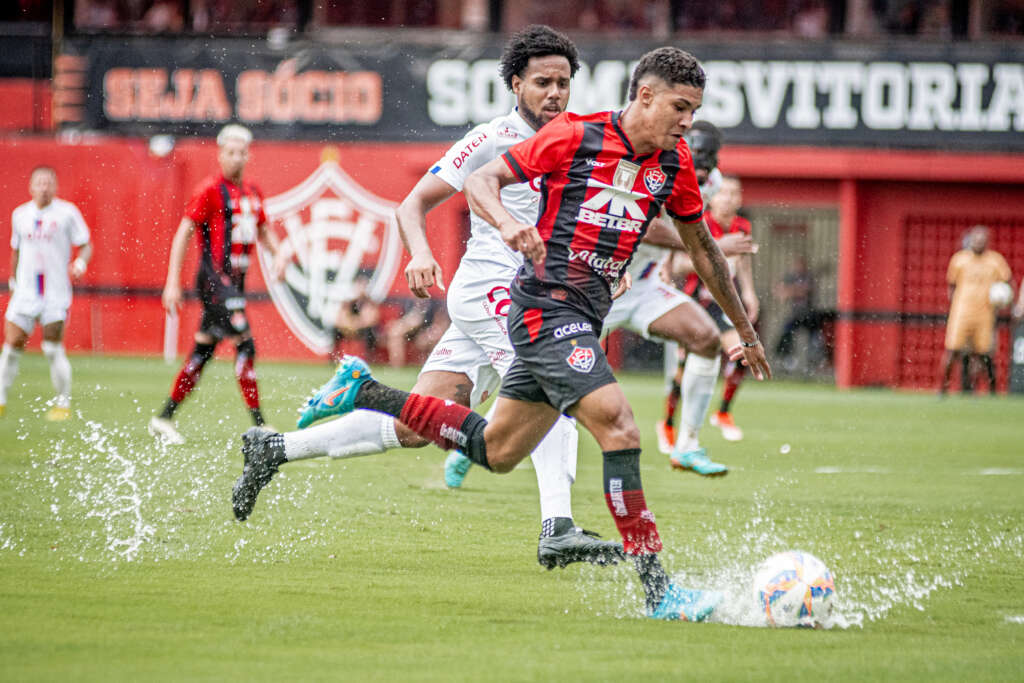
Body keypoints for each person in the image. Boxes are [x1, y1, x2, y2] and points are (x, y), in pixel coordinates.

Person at [262, 47, 770, 620]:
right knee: (618, 426)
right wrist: (507, 226)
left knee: (496, 450)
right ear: (645, 96)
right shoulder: (569, 136)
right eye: (681, 108)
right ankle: (648, 584)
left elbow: (699, 246)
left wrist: (742, 331)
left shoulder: (672, 164)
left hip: (579, 310)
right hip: (538, 307)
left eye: (695, 111)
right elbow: (480, 183)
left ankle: (364, 392)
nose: (687, 123)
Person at [231, 25, 624, 570]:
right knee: (554, 383)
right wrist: (419, 254)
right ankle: (556, 527)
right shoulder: (490, 140)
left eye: (563, 82)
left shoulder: (580, 142)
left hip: (531, 296)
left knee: (417, 426)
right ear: (516, 85)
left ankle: (273, 449)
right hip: (493, 289)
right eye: (542, 82)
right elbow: (412, 204)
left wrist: (607, 267)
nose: (554, 93)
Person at [148, 124, 282, 444]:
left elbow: (263, 229)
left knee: (204, 349)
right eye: (230, 153)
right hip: (213, 282)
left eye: (241, 152)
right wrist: (172, 283)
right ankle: (260, 424)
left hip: (234, 285)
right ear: (220, 155)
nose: (236, 158)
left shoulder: (252, 193)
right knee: (245, 344)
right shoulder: (209, 189)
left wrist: (279, 255)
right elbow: (184, 232)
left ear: (248, 155)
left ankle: (164, 417)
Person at [654, 121, 758, 456]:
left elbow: (740, 263)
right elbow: (686, 258)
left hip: (717, 301)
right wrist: (716, 249)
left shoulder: (738, 221)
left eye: (734, 194)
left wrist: (749, 294)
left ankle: (720, 414)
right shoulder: (697, 216)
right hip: (687, 295)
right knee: (686, 365)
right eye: (725, 193)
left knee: (737, 352)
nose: (728, 198)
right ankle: (668, 423)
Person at [0, 166, 92, 421]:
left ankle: (62, 403)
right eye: (39, 183)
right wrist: (12, 279)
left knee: (52, 348)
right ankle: (1, 399)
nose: (44, 187)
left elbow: (85, 245)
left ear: (55, 186)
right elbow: (15, 250)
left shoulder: (67, 213)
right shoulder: (20, 215)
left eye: (48, 182)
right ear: (31, 187)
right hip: (25, 292)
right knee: (10, 347)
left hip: (55, 292)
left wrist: (80, 263)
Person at [938, 225, 1012, 396]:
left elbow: (1006, 283)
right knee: (953, 350)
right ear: (970, 240)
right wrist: (955, 304)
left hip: (985, 314)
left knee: (982, 354)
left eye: (982, 240)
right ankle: (943, 389)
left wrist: (1004, 300)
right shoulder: (959, 259)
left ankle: (976, 390)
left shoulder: (995, 260)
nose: (978, 242)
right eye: (976, 239)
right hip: (961, 313)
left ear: (987, 242)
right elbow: (952, 285)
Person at [773, 254, 825, 373]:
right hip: (795, 314)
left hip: (808, 314)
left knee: (815, 337)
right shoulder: (791, 277)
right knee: (786, 333)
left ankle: (814, 362)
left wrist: (790, 290)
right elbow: (779, 292)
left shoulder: (808, 277)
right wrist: (791, 290)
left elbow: (803, 291)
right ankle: (788, 359)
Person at [329, 270, 380, 363]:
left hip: (362, 329)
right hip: (349, 327)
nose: (361, 289)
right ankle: (334, 357)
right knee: (335, 329)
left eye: (363, 286)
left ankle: (369, 358)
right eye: (359, 285)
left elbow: (370, 320)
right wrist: (351, 324)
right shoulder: (349, 303)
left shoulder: (368, 302)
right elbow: (339, 319)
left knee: (370, 332)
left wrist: (354, 323)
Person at [383, 297, 447, 369]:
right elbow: (402, 320)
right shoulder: (408, 303)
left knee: (431, 338)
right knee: (395, 336)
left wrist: (429, 332)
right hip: (409, 331)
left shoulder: (433, 304)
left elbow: (439, 323)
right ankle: (397, 367)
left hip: (426, 332)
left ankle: (432, 367)